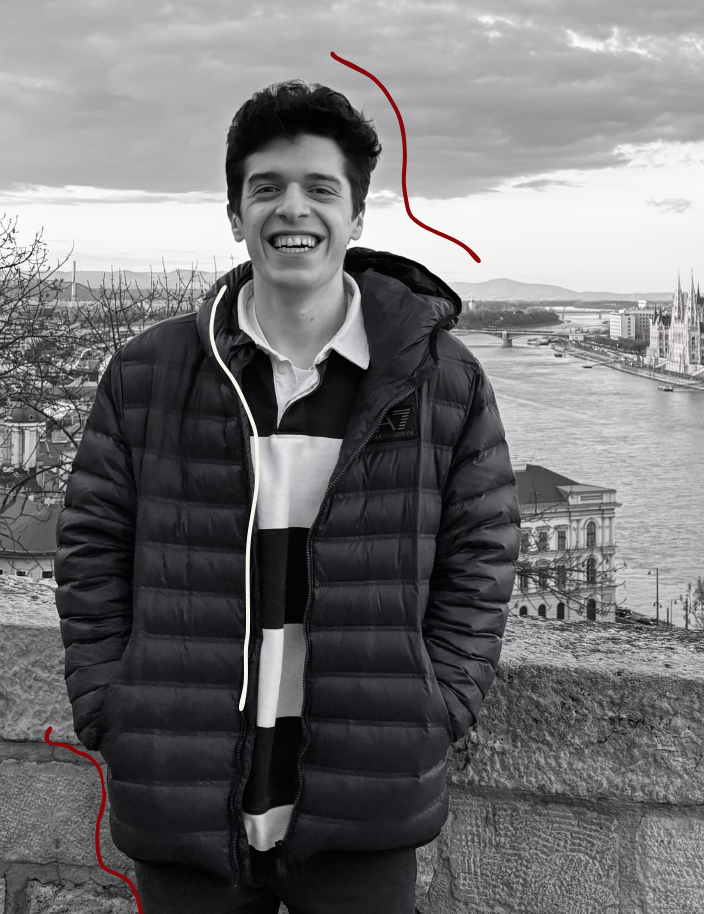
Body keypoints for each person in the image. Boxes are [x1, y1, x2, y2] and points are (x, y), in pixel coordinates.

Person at [54, 81, 520, 914]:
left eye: (319, 188)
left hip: (362, 806)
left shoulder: (443, 380)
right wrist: (108, 704)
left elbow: (481, 555)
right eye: (265, 188)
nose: (290, 209)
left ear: (357, 215)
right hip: (182, 793)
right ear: (235, 213)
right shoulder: (149, 373)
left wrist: (436, 706)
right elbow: (91, 547)